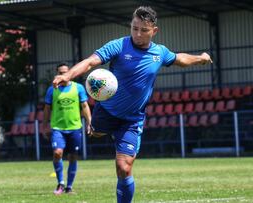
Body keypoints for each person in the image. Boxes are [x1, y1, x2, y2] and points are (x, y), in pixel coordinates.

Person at [53, 6, 212, 203]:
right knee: (95, 132)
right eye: (134, 28)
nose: (137, 34)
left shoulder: (159, 52)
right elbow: (90, 62)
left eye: (143, 30)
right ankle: (95, 126)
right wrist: (68, 75)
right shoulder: (119, 46)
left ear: (154, 31)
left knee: (124, 167)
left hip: (132, 119)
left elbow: (180, 59)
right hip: (106, 111)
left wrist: (201, 59)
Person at [43, 62, 92, 195]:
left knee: (73, 157)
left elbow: (85, 106)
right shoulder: (52, 90)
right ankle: (60, 184)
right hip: (58, 128)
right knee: (57, 153)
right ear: (57, 74)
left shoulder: (79, 88)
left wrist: (89, 122)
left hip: (75, 128)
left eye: (65, 72)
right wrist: (44, 125)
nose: (63, 74)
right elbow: (47, 109)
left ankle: (69, 187)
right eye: (60, 72)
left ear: (69, 73)